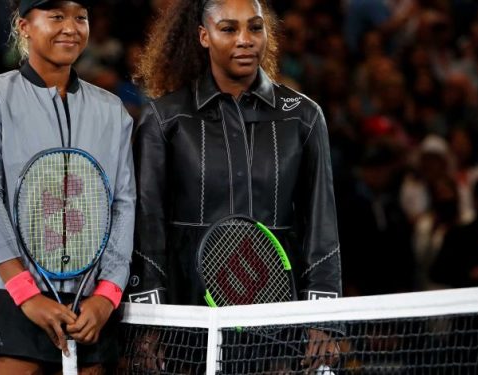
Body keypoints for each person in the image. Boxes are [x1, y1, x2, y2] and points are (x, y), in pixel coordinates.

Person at [129, 0, 341, 372]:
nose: (245, 40)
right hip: (188, 324)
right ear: (204, 36)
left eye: (255, 28)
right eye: (229, 29)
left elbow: (321, 229)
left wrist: (322, 321)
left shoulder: (304, 116)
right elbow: (147, 232)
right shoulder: (164, 118)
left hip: (277, 325)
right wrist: (150, 325)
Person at [0, 0, 135, 373]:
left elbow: (123, 205)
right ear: (24, 26)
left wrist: (108, 295)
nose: (71, 27)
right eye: (56, 16)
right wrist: (26, 293)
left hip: (89, 307)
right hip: (10, 296)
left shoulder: (113, 111)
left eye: (81, 16)